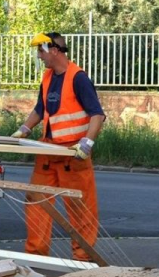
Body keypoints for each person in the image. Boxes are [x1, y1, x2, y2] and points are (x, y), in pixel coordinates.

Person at [13, 32, 106, 260]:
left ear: (54, 50)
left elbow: (97, 115)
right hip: (47, 152)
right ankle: (36, 255)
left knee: (80, 208)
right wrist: (24, 128)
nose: (39, 56)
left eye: (41, 51)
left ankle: (83, 258)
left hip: (72, 155)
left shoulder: (78, 78)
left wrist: (87, 143)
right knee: (36, 201)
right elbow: (41, 108)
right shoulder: (47, 77)